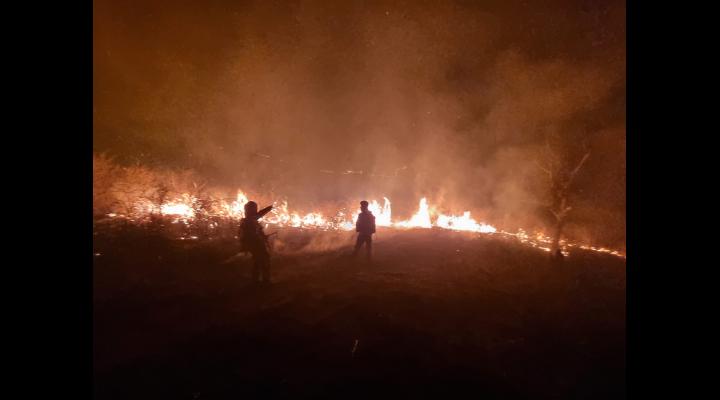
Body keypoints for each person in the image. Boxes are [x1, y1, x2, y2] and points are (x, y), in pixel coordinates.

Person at [239, 201, 273, 284]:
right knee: (264, 260)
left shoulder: (249, 219)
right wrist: (270, 208)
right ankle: (265, 281)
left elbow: (259, 215)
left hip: (255, 244)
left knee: (257, 262)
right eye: (254, 208)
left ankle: (256, 280)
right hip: (256, 245)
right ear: (250, 210)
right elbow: (248, 236)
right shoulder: (248, 220)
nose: (256, 210)